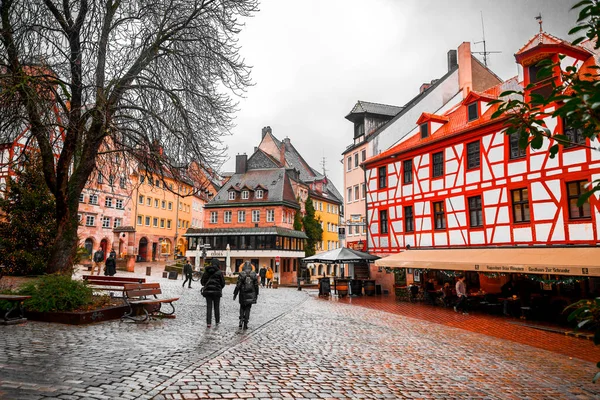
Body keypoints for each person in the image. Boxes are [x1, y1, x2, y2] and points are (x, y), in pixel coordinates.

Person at [233, 261, 259, 330]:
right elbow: (256, 285)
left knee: (242, 307)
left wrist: (235, 293)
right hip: (251, 293)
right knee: (248, 308)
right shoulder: (254, 274)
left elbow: (238, 285)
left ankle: (241, 320)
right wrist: (256, 294)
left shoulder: (241, 274)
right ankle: (246, 323)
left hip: (242, 293)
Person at [201, 258, 226, 328]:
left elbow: (202, 282)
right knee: (216, 307)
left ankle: (208, 323)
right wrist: (219, 287)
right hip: (217, 292)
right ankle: (217, 321)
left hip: (208, 292)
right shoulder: (219, 272)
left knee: (209, 307)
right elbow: (223, 283)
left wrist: (207, 285)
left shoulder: (206, 271)